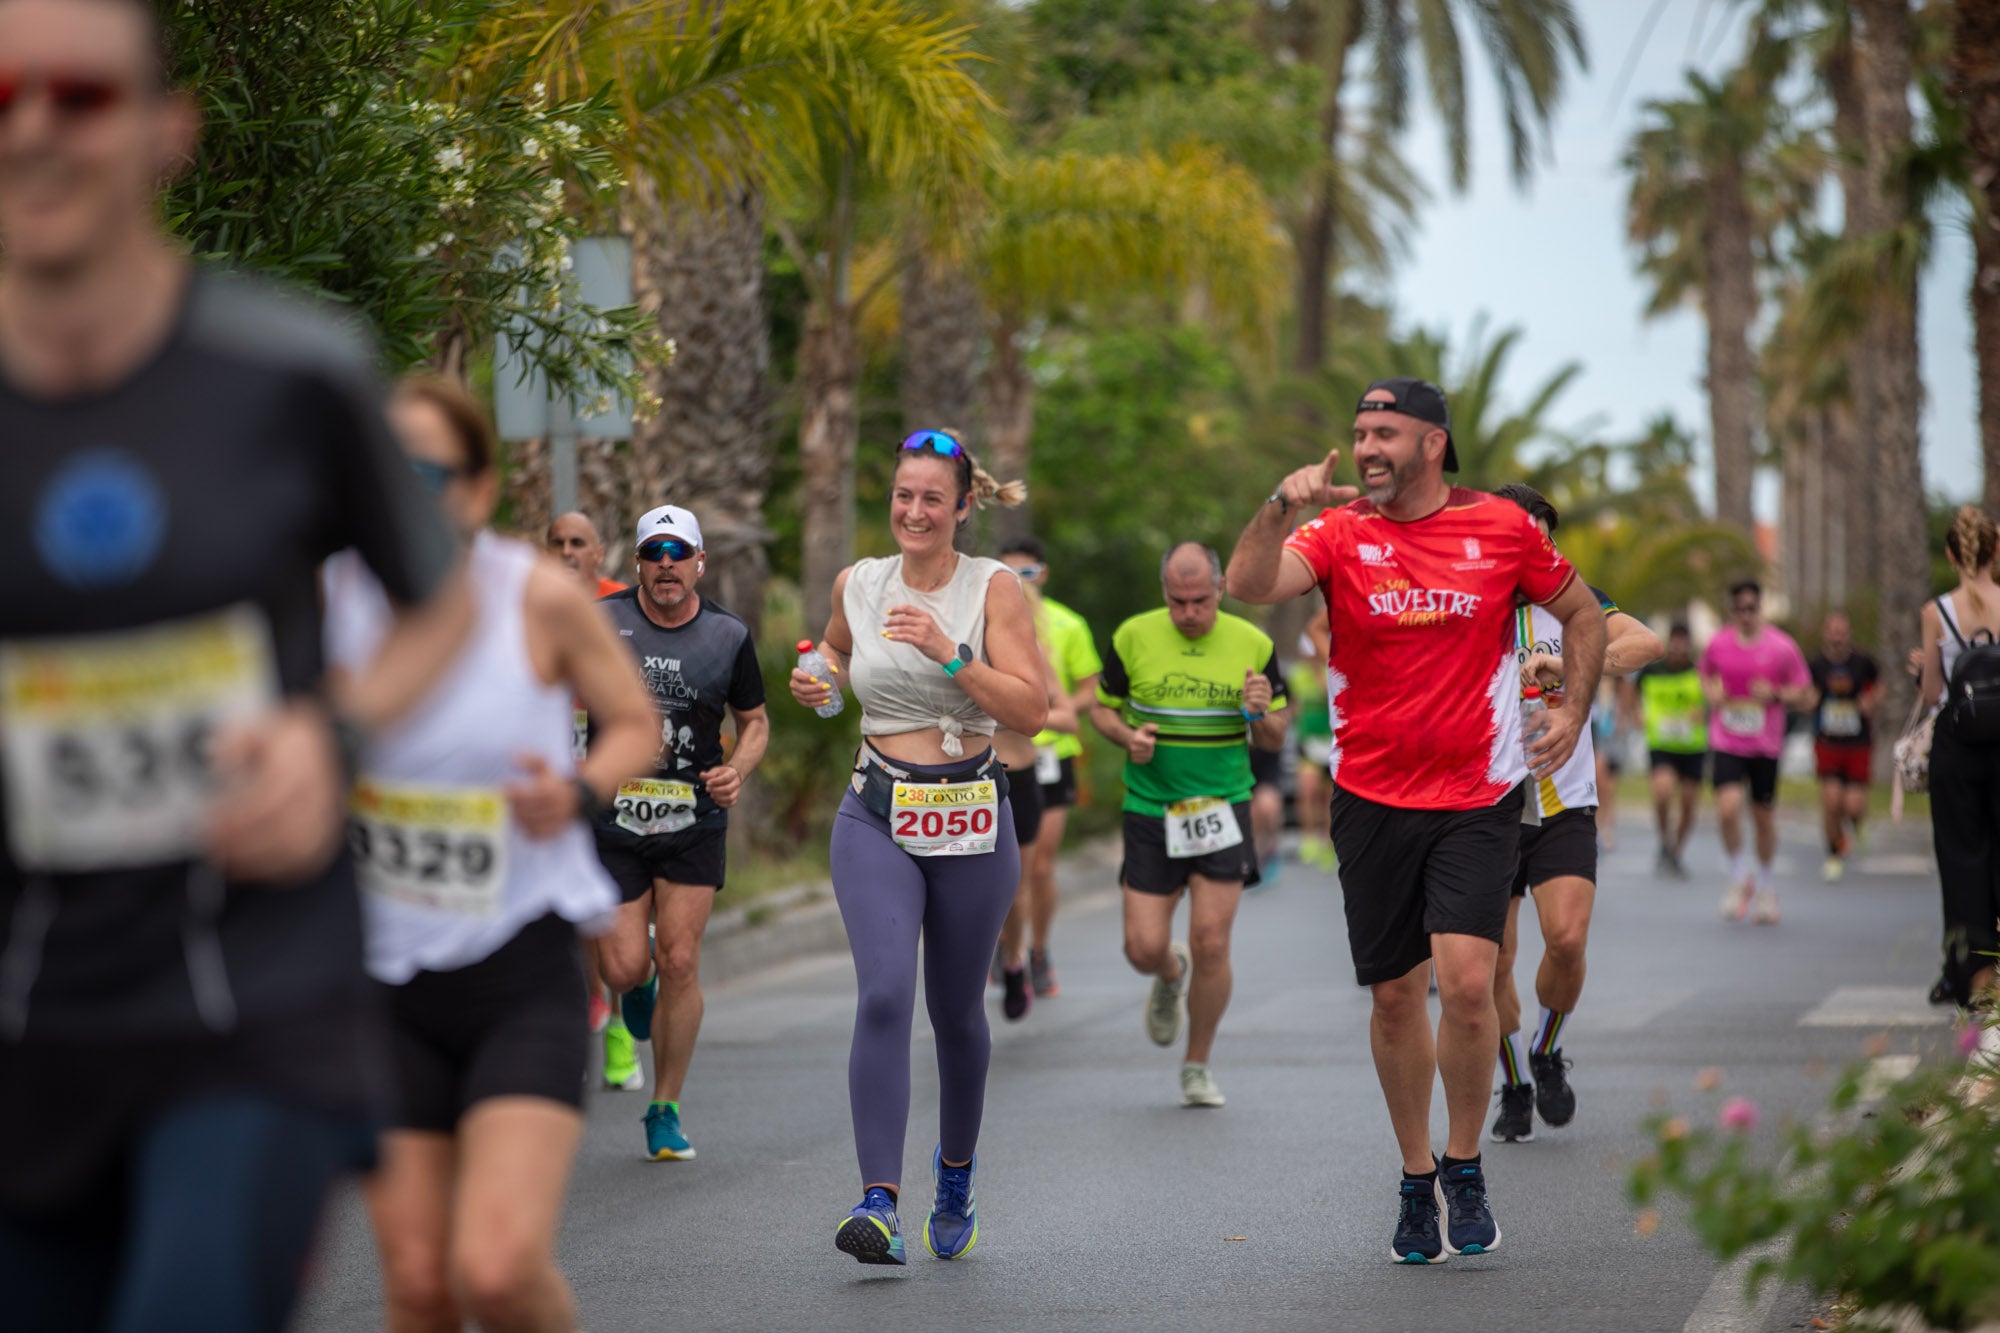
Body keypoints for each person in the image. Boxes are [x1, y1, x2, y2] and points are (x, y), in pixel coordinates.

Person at [0, 1, 471, 1325]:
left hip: (251, 1000)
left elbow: (436, 600)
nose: (35, 128)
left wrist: (335, 734)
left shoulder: (289, 374)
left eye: (81, 97)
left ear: (166, 132)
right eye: (3, 96)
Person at [1227, 377, 1603, 1265]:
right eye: (1359, 432)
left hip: (1477, 793)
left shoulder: (1503, 530)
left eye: (1384, 432)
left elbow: (1582, 612)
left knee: (1469, 984)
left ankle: (1465, 1163)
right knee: (1396, 996)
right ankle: (1413, 1175)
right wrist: (1282, 501)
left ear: (1433, 443)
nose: (1366, 449)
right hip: (1369, 799)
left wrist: (1574, 709)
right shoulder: (1337, 531)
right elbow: (1250, 582)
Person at [325, 378, 657, 1333]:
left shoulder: (538, 598)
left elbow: (633, 721)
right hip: (379, 977)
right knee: (423, 1286)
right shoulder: (325, 596)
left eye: (425, 472)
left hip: (518, 963)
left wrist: (579, 791)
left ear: (475, 489)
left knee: (500, 1267)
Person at [789, 429, 1047, 1265]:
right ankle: (878, 1202)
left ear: (965, 505)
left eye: (933, 497)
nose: (914, 510)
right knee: (886, 996)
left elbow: (1030, 709)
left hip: (971, 816)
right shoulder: (859, 582)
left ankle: (957, 1174)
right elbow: (832, 647)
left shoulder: (992, 588)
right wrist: (821, 677)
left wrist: (951, 651)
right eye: (904, 494)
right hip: (875, 810)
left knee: (956, 1012)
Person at [588, 504, 769, 1161]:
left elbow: (755, 720)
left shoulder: (728, 634)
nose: (666, 563)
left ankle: (664, 1106)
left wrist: (738, 770)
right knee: (624, 962)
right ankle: (636, 984)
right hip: (614, 815)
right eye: (653, 551)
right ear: (637, 563)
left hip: (694, 815)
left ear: (699, 562)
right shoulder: (603, 622)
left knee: (683, 958)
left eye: (678, 551)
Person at [1484, 483, 1661, 1146]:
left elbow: (1644, 643)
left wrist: (1573, 662)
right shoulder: (1468, 605)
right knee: (1492, 963)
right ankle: (1513, 1084)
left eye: (1543, 533)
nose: (1534, 544)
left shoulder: (1575, 600)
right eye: (1519, 531)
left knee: (1566, 940)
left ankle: (1547, 1048)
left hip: (1563, 798)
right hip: (1488, 801)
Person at [1090, 543, 1288, 1109]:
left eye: (1200, 600)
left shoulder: (1253, 644)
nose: (1189, 613)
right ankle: (1168, 972)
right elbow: (1102, 707)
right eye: (1178, 602)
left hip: (1222, 808)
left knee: (1213, 942)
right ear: (1164, 595)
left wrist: (1259, 714)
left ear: (1220, 590)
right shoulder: (1133, 636)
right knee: (1140, 946)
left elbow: (1275, 736)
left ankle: (1197, 1064)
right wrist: (1126, 736)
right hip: (1151, 808)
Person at [997, 536, 1103, 998]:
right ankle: (1007, 946)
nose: (1016, 583)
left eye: (1025, 573)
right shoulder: (980, 626)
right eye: (1007, 573)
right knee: (1008, 871)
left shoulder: (1066, 624)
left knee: (1040, 865)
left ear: (1042, 574)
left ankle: (1037, 950)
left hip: (1050, 754)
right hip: (1000, 758)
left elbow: (1087, 691)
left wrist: (1038, 716)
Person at [547, 510, 626, 1039]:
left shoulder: (622, 605)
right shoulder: (531, 603)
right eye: (557, 543)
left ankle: (619, 1010)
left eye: (579, 542)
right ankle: (592, 1001)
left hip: (616, 771)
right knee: (571, 900)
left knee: (613, 900)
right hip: (555, 770)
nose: (567, 551)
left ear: (598, 552)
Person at [1921, 506, 2000, 1011]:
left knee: (1962, 863)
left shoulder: (1938, 612)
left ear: (1952, 554)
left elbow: (1932, 692)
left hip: (1958, 751)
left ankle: (1974, 976)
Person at [1701, 579, 1813, 925]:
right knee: (1727, 808)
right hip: (1727, 740)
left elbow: (1806, 694)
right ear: (1733, 611)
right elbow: (1705, 676)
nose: (1747, 615)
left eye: (1752, 608)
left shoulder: (1782, 647)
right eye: (1741, 609)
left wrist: (1776, 694)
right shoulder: (1718, 644)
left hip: (1765, 744)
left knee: (1763, 817)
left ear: (1760, 609)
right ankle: (1739, 876)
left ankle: (1764, 885)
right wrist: (1713, 693)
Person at [992, 578, 1079, 1021]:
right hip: (963, 783)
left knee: (1015, 885)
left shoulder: (1035, 658)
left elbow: (1066, 716)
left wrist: (1025, 719)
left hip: (1021, 776)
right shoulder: (956, 652)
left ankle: (1014, 960)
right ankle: (981, 961)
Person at [1807, 611, 1882, 881]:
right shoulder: (1816, 665)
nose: (1837, 635)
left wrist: (1870, 703)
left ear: (1848, 632)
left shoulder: (1863, 663)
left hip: (1857, 742)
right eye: (1833, 630)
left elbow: (1878, 688)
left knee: (1853, 805)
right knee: (1831, 801)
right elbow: (1808, 694)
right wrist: (1810, 701)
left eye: (1842, 630)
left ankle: (1857, 824)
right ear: (1825, 633)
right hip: (1827, 741)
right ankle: (1833, 852)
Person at [1636, 624, 1708, 877]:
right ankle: (1664, 839)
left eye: (1683, 642)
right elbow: (1631, 692)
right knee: (1662, 792)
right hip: (1662, 744)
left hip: (1692, 746)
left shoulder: (1699, 672)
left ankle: (1676, 850)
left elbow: (1713, 699)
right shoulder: (1652, 670)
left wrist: (1705, 712)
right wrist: (1634, 715)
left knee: (1689, 804)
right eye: (1674, 642)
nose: (1678, 648)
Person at [1286, 608, 1337, 870]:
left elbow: (1327, 693)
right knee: (1307, 790)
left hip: (1329, 744)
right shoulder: (1296, 675)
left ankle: (1328, 844)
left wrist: (1320, 671)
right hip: (1308, 743)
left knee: (1328, 797)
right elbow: (1292, 704)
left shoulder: (1329, 672)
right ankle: (1309, 840)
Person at [547, 510, 628, 600]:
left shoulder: (620, 598)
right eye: (557, 543)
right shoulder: (533, 599)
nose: (566, 552)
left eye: (577, 543)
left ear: (598, 554)